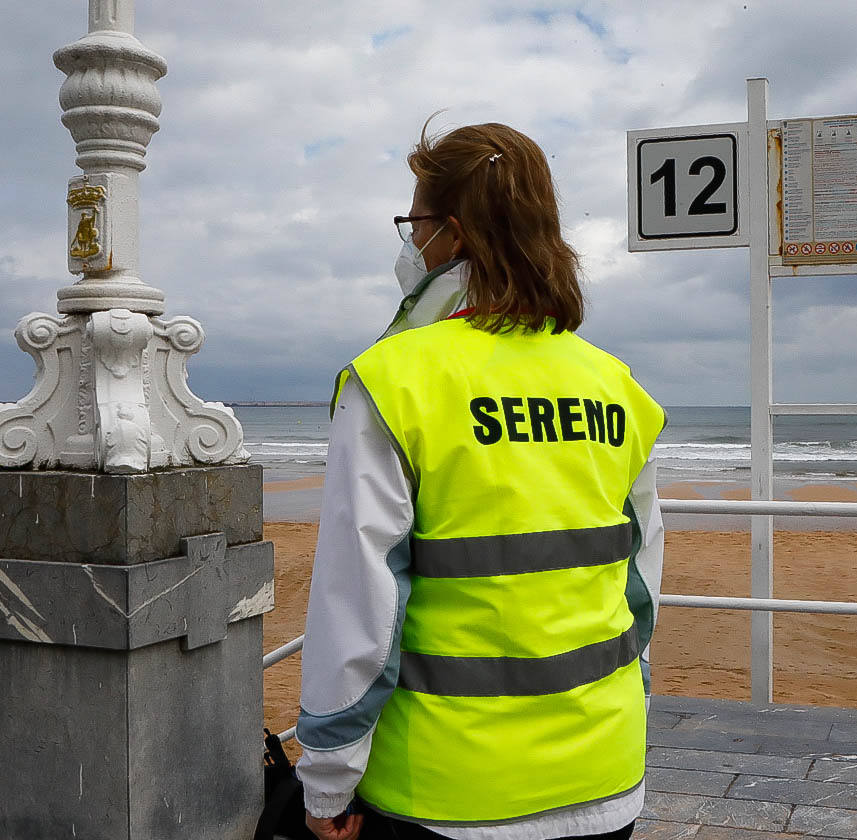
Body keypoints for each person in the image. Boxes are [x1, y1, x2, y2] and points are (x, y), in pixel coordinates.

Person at [295, 121, 665, 840]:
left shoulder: (391, 381)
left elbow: (357, 607)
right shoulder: (614, 384)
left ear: (453, 236)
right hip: (606, 771)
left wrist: (327, 780)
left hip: (445, 790)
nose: (411, 242)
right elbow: (639, 586)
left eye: (415, 224)